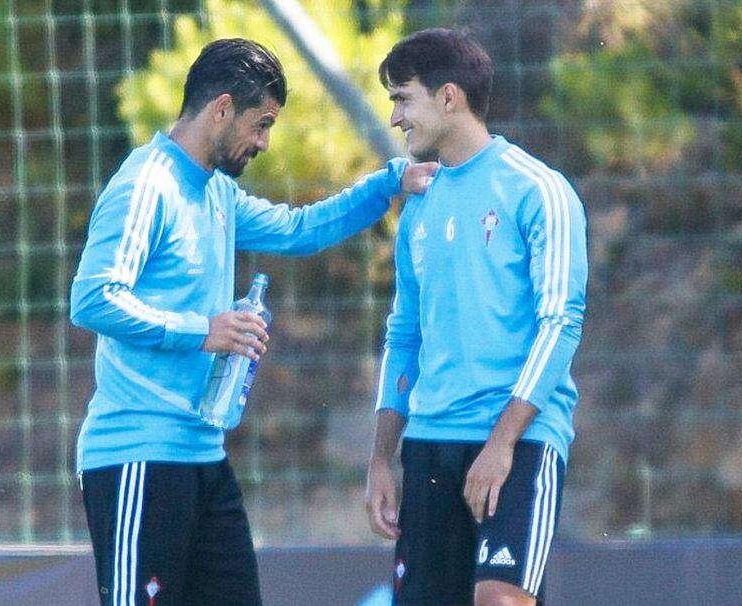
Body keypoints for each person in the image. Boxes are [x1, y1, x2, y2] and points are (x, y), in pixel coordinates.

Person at [70, 38, 436, 606]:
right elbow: (92, 298)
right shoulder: (147, 184)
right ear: (220, 108)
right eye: (260, 123)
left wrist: (390, 181)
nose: (264, 142)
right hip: (137, 457)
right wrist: (202, 329)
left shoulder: (217, 192)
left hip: (203, 458)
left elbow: (299, 229)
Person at [365, 29, 588, 606]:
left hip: (518, 441)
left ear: (447, 97)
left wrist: (502, 443)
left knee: (500, 601)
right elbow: (403, 333)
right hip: (430, 443)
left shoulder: (539, 190)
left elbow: (560, 321)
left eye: (402, 98)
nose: (395, 117)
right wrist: (381, 460)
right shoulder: (419, 204)